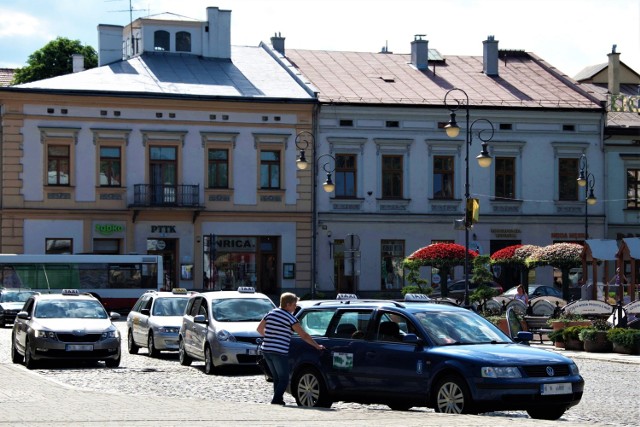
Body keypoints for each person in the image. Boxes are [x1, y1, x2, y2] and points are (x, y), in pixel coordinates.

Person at [257, 292, 324, 406]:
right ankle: (276, 400)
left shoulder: (271, 313)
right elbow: (304, 335)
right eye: (294, 305)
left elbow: (259, 329)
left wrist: (269, 337)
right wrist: (317, 346)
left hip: (266, 349)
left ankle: (278, 400)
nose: (295, 307)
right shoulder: (290, 318)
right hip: (279, 351)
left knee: (277, 377)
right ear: (288, 305)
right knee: (284, 378)